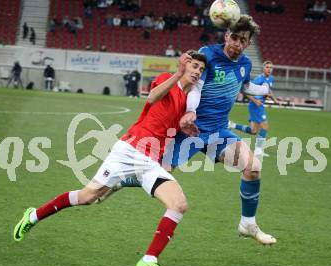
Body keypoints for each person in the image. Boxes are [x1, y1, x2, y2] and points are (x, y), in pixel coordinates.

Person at [13, 51, 207, 266]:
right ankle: (33, 215)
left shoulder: (185, 101)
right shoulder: (168, 78)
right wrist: (176, 74)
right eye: (194, 66)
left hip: (150, 161)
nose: (197, 72)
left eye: (201, 69)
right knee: (87, 197)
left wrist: (184, 129)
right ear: (184, 65)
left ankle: (149, 260)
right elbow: (152, 98)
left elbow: (167, 126)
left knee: (179, 204)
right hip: (129, 151)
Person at [101, 15, 277, 246]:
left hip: (218, 132)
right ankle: (122, 181)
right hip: (189, 130)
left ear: (247, 44)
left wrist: (263, 89)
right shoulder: (209, 54)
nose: (236, 43)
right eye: (234, 37)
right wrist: (190, 111)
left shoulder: (245, 65)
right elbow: (195, 86)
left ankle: (247, 224)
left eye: (242, 40)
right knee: (162, 173)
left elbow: (244, 86)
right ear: (226, 36)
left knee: (253, 167)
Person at [229, 60, 278, 157]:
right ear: (263, 68)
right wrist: (256, 101)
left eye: (270, 67)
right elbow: (246, 91)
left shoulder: (271, 79)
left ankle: (232, 125)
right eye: (267, 67)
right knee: (265, 126)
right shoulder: (259, 79)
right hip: (256, 106)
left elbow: (268, 90)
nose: (269, 69)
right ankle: (258, 150)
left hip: (259, 105)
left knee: (253, 131)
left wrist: (275, 99)